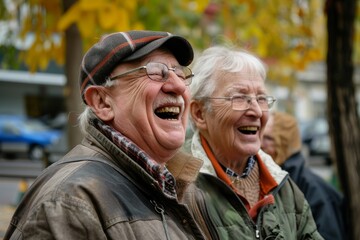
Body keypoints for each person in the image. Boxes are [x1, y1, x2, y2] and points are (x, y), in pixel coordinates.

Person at [4, 30, 206, 240]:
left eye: (180, 74)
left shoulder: (176, 186)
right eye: (155, 71)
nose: (179, 86)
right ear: (102, 102)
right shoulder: (69, 202)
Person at [182, 46, 324, 239]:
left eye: (262, 98)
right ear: (199, 113)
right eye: (240, 98)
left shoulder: (283, 184)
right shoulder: (178, 184)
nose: (257, 111)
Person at [261, 111, 346, 240]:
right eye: (260, 136)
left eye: (268, 138)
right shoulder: (271, 179)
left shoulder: (313, 189)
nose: (261, 144)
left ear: (285, 142)